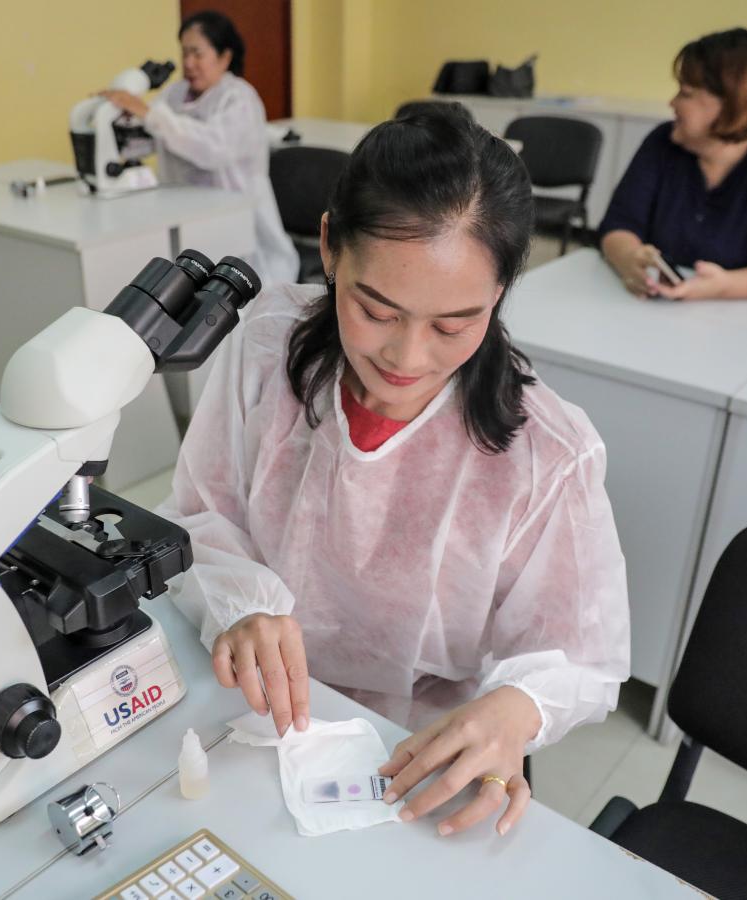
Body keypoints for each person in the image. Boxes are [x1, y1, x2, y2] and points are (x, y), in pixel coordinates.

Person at [159, 102, 630, 838]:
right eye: (374, 308)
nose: (407, 359)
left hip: (416, 752)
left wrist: (516, 709)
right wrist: (241, 603)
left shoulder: (547, 453)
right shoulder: (263, 350)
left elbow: (580, 657)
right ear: (329, 249)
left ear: (500, 293)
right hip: (253, 706)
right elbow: (200, 510)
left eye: (454, 324)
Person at [599, 27, 747, 300]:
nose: (672, 102)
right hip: (655, 314)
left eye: (686, 93)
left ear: (733, 103)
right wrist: (631, 259)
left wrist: (725, 286)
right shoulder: (662, 142)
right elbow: (618, 223)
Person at [102, 10, 299, 286]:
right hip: (184, 217)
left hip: (237, 225)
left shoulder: (239, 98)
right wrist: (118, 117)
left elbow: (211, 148)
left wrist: (150, 115)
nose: (188, 63)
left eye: (197, 54)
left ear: (224, 57)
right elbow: (150, 138)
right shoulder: (174, 94)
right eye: (184, 53)